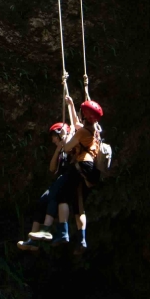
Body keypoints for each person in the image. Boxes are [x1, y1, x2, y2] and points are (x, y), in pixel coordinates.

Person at [18, 96, 112, 253]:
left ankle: (51, 230)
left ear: (85, 116)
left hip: (82, 166)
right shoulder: (94, 130)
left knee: (59, 193)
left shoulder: (82, 132)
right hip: (91, 172)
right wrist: (70, 105)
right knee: (76, 205)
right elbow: (77, 122)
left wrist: (64, 137)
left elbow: (68, 147)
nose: (79, 115)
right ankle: (72, 236)